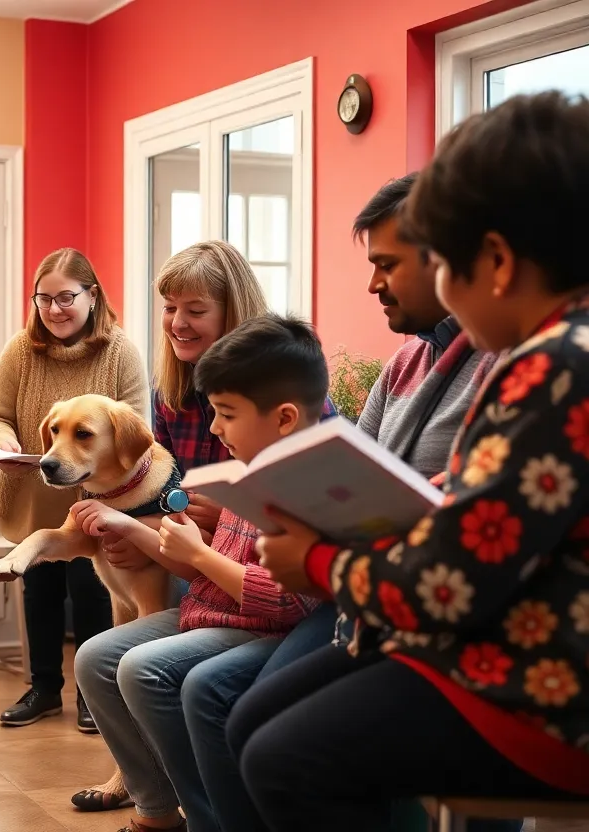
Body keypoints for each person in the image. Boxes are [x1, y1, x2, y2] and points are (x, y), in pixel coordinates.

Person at [233, 90, 589, 831]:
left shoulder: (553, 367)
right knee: (264, 728)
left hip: (549, 691)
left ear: (494, 261)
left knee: (285, 759)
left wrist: (323, 565)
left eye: (446, 269)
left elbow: (451, 584)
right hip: (525, 650)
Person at [172, 173, 500, 832]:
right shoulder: (404, 368)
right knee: (249, 715)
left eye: (386, 265)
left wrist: (320, 558)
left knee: (265, 726)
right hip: (365, 587)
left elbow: (474, 525)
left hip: (408, 598)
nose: (373, 284)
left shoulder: (511, 367)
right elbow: (354, 473)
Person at [69, 315, 326, 832]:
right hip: (212, 611)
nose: (212, 428)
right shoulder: (250, 468)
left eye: (225, 415)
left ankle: (209, 819)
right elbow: (202, 568)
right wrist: (161, 536)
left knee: (142, 669)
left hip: (262, 628)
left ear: (283, 418)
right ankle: (157, 810)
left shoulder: (305, 481)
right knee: (95, 656)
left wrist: (204, 556)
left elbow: (285, 604)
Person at [0, 247, 146, 731]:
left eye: (66, 297)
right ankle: (44, 688)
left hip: (100, 498)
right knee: (40, 589)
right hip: (32, 489)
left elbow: (135, 428)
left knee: (93, 590)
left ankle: (92, 694)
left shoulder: (121, 352)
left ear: (92, 296)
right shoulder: (20, 350)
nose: (54, 309)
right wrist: (5, 442)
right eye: (43, 298)